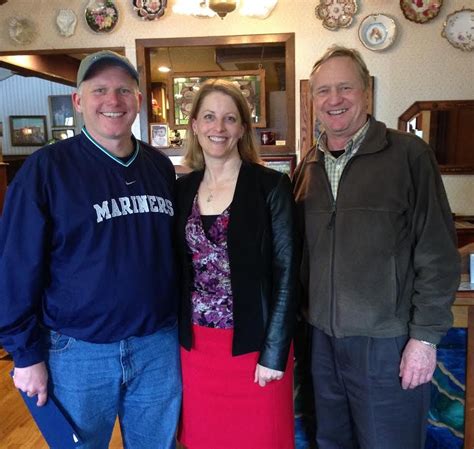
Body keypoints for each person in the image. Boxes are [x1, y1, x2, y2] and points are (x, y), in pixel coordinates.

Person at [0, 50, 181, 449]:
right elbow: (14, 268)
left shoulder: (158, 166)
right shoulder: (45, 170)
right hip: (78, 351)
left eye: (123, 90)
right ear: (79, 101)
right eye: (99, 90)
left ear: (137, 100)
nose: (112, 101)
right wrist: (25, 354)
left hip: (157, 347)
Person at [293, 45, 461, 449]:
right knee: (332, 442)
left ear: (366, 92)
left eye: (345, 88)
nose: (334, 100)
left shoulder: (408, 155)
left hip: (388, 342)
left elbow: (438, 253)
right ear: (313, 100)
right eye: (323, 91)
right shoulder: (308, 166)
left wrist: (424, 339)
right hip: (322, 342)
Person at [175, 78, 298, 449]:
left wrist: (274, 353)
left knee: (261, 439)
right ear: (194, 124)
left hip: (255, 348)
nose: (219, 127)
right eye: (209, 117)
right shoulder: (180, 189)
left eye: (230, 119)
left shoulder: (270, 187)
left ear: (243, 127)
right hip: (195, 351)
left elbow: (287, 274)